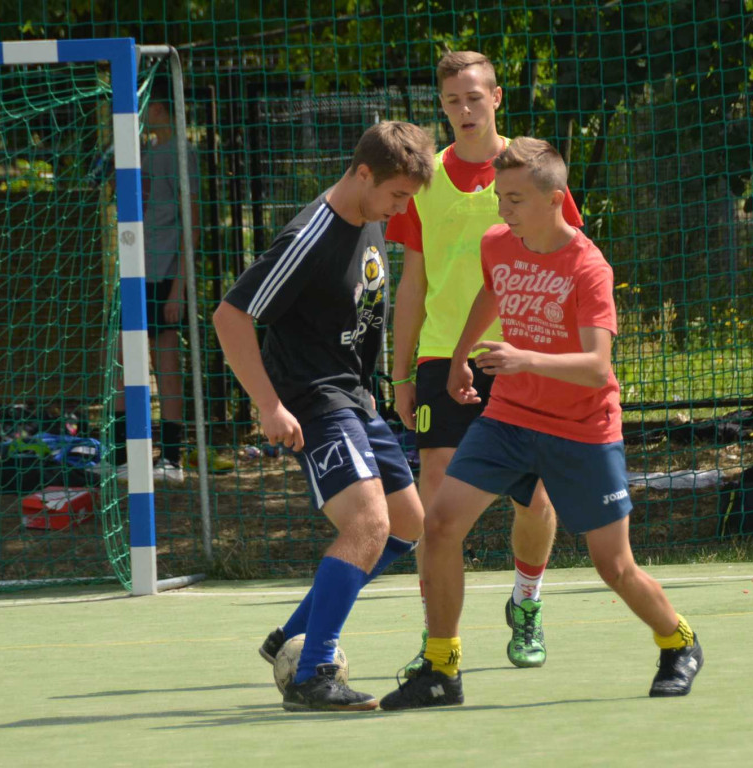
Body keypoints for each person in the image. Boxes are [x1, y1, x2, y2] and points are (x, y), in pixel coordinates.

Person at [380, 138, 704, 710]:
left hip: (583, 427)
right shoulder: (499, 244)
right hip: (508, 417)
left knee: (614, 566)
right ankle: (441, 665)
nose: (503, 210)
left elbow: (597, 365)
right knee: (442, 523)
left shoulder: (589, 268)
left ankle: (678, 642)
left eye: (514, 199)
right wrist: (458, 360)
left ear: (555, 200)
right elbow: (490, 291)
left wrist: (523, 358)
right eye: (500, 198)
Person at [212, 121, 436, 712]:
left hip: (356, 398)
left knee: (408, 523)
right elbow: (230, 316)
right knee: (368, 525)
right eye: (396, 196)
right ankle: (314, 673)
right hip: (314, 400)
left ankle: (289, 637)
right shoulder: (308, 237)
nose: (399, 209)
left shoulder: (368, 217)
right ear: (364, 174)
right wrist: (269, 404)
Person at [386, 50, 584, 672]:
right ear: (441, 107)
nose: (464, 110)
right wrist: (399, 373)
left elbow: (571, 263)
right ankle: (437, 637)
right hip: (443, 358)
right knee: (436, 506)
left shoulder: (532, 174)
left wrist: (572, 358)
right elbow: (412, 281)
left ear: (496, 98)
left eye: (475, 98)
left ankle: (526, 603)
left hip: (525, 358)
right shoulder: (426, 180)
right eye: (452, 101)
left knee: (535, 501)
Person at [110, 76, 200, 482]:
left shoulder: (181, 152)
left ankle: (172, 459)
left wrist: (179, 285)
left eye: (144, 106)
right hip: (131, 270)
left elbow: (191, 220)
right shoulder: (140, 153)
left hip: (163, 273)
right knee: (121, 361)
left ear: (159, 109)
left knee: (165, 363)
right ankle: (119, 457)